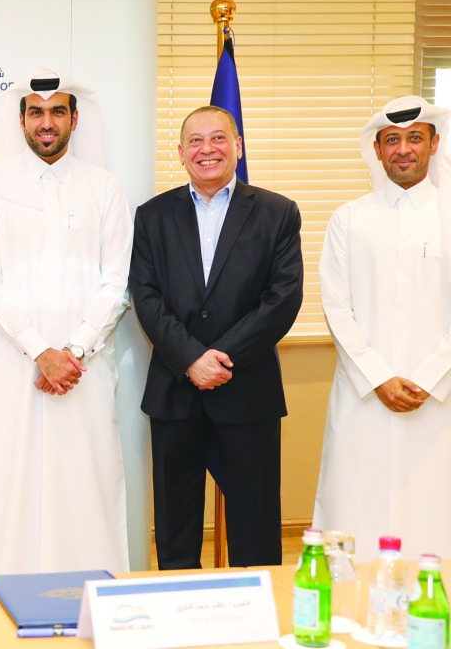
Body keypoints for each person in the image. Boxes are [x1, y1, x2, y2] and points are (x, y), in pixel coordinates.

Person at [0, 68, 133, 577]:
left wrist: (73, 352)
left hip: (83, 370)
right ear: (21, 121)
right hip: (11, 365)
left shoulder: (104, 188)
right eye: (36, 112)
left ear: (75, 119)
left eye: (58, 111)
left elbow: (116, 281)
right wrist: (41, 351)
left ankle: (88, 598)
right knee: (8, 487)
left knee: (84, 483)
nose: (47, 122)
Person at [129, 105, 303, 569]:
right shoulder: (152, 216)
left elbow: (282, 300)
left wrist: (219, 357)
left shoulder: (276, 212)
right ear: (182, 153)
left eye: (219, 138)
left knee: (256, 527)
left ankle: (258, 632)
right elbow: (145, 297)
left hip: (248, 392)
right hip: (174, 391)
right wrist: (190, 359)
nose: (208, 149)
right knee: (175, 528)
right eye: (196, 141)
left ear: (238, 146)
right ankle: (180, 625)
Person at [313, 96, 451, 557]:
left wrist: (429, 378)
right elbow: (336, 307)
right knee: (356, 511)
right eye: (392, 140)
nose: (403, 149)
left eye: (415, 138)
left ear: (434, 143)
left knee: (434, 512)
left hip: (438, 399)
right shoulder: (349, 219)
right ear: (376, 150)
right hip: (365, 397)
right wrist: (379, 378)